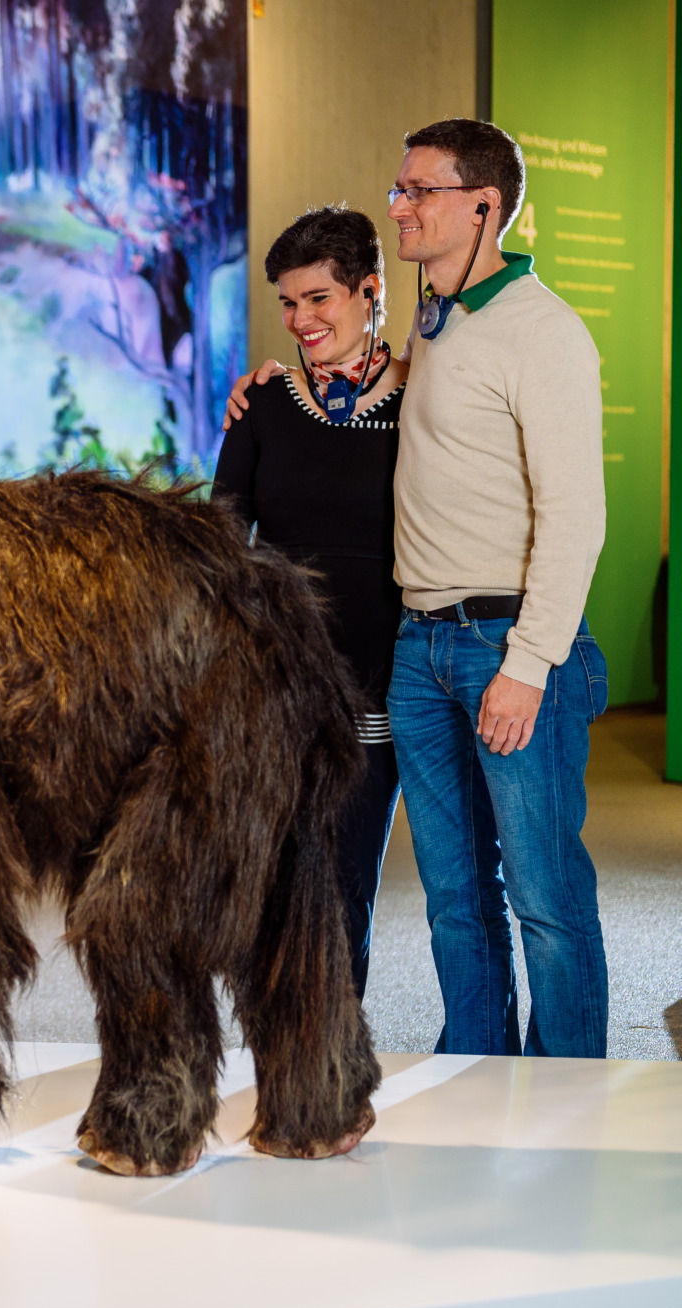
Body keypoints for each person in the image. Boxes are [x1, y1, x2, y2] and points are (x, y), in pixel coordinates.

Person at [230, 120, 609, 1057]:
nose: (398, 204)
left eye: (418, 191)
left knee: (546, 896)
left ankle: (570, 1094)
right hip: (420, 651)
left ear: (482, 205)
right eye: (397, 190)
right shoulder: (437, 322)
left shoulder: (544, 331)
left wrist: (530, 664)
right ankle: (477, 1066)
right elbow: (379, 385)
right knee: (453, 898)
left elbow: (576, 517)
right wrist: (274, 384)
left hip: (507, 646)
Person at [213, 206, 405, 997]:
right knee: (273, 885)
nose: (301, 320)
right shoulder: (260, 403)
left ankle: (329, 1060)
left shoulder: (423, 400)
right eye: (289, 304)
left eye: (320, 299)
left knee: (346, 885)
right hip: (281, 684)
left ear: (369, 292)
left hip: (385, 681)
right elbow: (224, 539)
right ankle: (277, 1052)